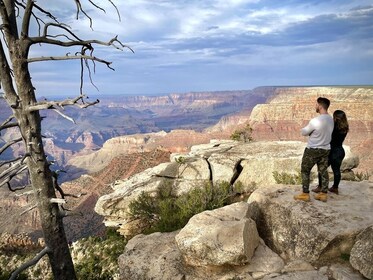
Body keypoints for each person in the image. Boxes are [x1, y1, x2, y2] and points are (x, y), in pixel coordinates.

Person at [294, 97, 334, 202]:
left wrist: (309, 131)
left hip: (313, 150)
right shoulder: (330, 119)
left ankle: (305, 193)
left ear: (320, 106)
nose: (315, 106)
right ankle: (323, 194)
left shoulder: (316, 121)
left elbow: (304, 132)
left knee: (305, 170)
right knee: (323, 171)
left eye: (316, 104)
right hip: (325, 149)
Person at [312, 110, 349, 194]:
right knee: (336, 170)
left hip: (331, 151)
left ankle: (320, 187)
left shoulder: (332, 127)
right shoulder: (345, 127)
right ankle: (335, 188)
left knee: (322, 169)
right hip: (340, 151)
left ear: (335, 117)